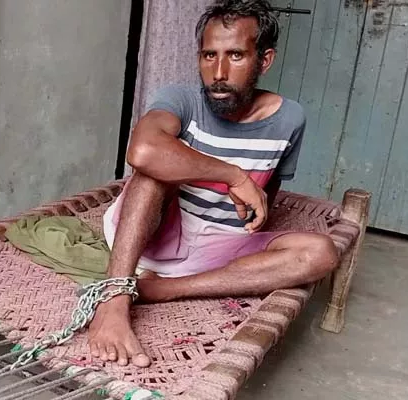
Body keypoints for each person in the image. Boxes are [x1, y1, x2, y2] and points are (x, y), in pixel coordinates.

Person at [87, 0, 340, 368]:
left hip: (218, 248)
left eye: (235, 56)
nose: (218, 72)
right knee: (153, 171)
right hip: (154, 234)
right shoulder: (182, 99)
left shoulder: (290, 119)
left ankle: (165, 289)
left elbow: (266, 195)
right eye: (209, 56)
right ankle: (114, 299)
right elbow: (142, 150)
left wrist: (253, 221)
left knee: (321, 253)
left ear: (264, 61)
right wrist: (234, 176)